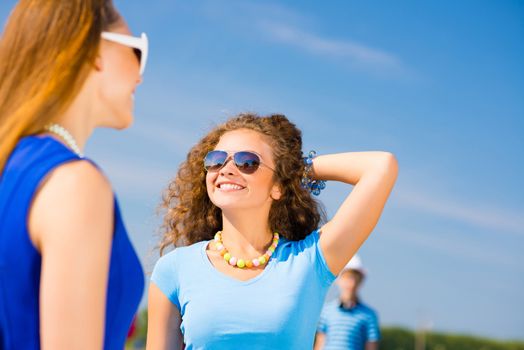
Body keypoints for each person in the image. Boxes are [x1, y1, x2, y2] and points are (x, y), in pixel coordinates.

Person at [146, 113, 398, 349]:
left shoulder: (310, 261)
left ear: (277, 187)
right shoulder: (174, 269)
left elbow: (380, 166)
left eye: (247, 162)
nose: (226, 168)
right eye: (216, 160)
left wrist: (293, 170)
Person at [0, 0, 148, 348]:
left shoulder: (13, 166)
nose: (140, 75)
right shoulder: (75, 183)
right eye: (138, 51)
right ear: (96, 50)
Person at [314, 255, 380, 350]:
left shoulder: (369, 315)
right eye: (347, 278)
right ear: (338, 280)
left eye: (355, 278)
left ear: (360, 281)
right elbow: (320, 342)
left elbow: (371, 346)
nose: (351, 283)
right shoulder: (326, 311)